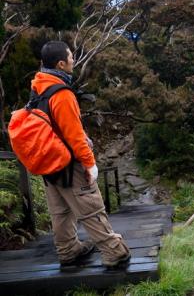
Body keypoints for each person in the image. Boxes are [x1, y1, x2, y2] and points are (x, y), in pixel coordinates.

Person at [32, 41, 130, 268]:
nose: (73, 60)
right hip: (68, 164)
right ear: (61, 64)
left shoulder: (38, 86)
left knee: (61, 212)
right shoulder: (62, 94)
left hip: (48, 162)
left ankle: (68, 251)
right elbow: (74, 135)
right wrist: (90, 164)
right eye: (70, 57)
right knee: (90, 206)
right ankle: (114, 252)